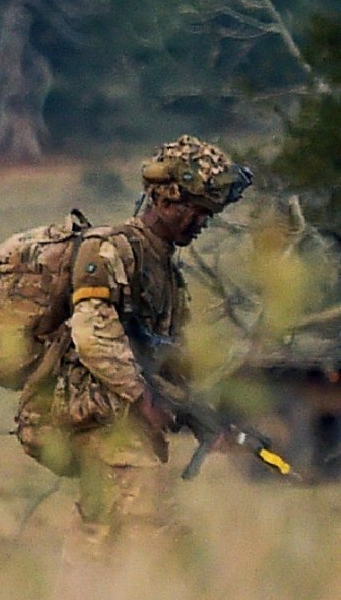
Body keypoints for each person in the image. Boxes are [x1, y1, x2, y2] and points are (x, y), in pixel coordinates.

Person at [23, 135, 255, 564]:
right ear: (166, 201)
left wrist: (198, 410)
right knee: (153, 534)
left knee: (101, 536)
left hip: (120, 423)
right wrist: (143, 398)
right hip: (99, 419)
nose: (202, 222)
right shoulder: (112, 250)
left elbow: (167, 356)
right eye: (197, 211)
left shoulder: (164, 268)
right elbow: (93, 333)